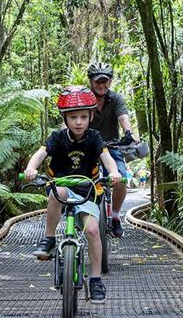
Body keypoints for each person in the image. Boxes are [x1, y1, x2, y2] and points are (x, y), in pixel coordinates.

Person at [23, 85, 121, 304]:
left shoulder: (94, 138)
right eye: (73, 117)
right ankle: (49, 239)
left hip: (88, 190)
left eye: (83, 117)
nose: (79, 122)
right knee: (59, 190)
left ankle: (95, 280)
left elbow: (107, 159)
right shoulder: (57, 138)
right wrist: (31, 168)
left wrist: (113, 172)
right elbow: (41, 154)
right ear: (65, 119)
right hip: (62, 188)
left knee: (94, 231)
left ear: (91, 117)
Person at [87, 62, 138, 237]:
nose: (101, 85)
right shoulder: (85, 99)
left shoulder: (115, 99)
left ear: (109, 82)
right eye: (97, 82)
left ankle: (115, 216)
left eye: (105, 82)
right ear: (91, 82)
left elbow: (123, 117)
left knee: (122, 179)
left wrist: (129, 132)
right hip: (88, 147)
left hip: (111, 146)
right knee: (81, 179)